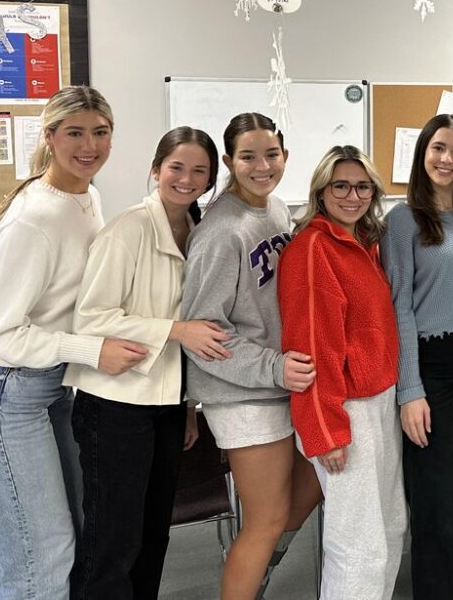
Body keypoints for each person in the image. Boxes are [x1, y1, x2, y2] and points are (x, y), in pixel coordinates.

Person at [0, 86, 147, 598]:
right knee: (38, 559)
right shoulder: (36, 218)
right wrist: (91, 351)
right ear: (50, 137)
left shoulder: (87, 196)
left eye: (100, 132)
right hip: (1, 392)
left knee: (70, 536)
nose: (89, 146)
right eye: (75, 133)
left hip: (46, 387)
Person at [65, 127, 232, 599]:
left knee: (154, 533)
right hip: (115, 404)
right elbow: (91, 317)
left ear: (211, 180)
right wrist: (175, 330)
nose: (187, 179)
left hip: (167, 403)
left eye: (199, 171)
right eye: (176, 167)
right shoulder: (129, 229)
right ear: (156, 169)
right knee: (113, 540)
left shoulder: (200, 231)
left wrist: (188, 407)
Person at [181, 113, 321, 600]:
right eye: (248, 157)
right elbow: (204, 333)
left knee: (312, 485)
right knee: (265, 520)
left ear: (285, 155)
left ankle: (255, 574)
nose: (262, 166)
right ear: (228, 161)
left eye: (271, 155)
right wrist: (274, 367)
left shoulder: (276, 209)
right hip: (244, 393)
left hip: (283, 383)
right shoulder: (221, 232)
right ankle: (247, 578)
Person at [278, 146, 405, 600]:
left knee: (389, 526)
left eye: (362, 187)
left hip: (379, 401)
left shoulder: (363, 243)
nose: (353, 196)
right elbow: (311, 345)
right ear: (321, 191)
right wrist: (325, 430)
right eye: (341, 186)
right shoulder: (313, 249)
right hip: (346, 411)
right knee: (358, 543)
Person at [380, 115, 453, 600]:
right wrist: (410, 390)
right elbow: (398, 308)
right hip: (430, 364)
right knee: (434, 500)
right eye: (438, 148)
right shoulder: (402, 220)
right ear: (422, 153)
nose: (447, 159)